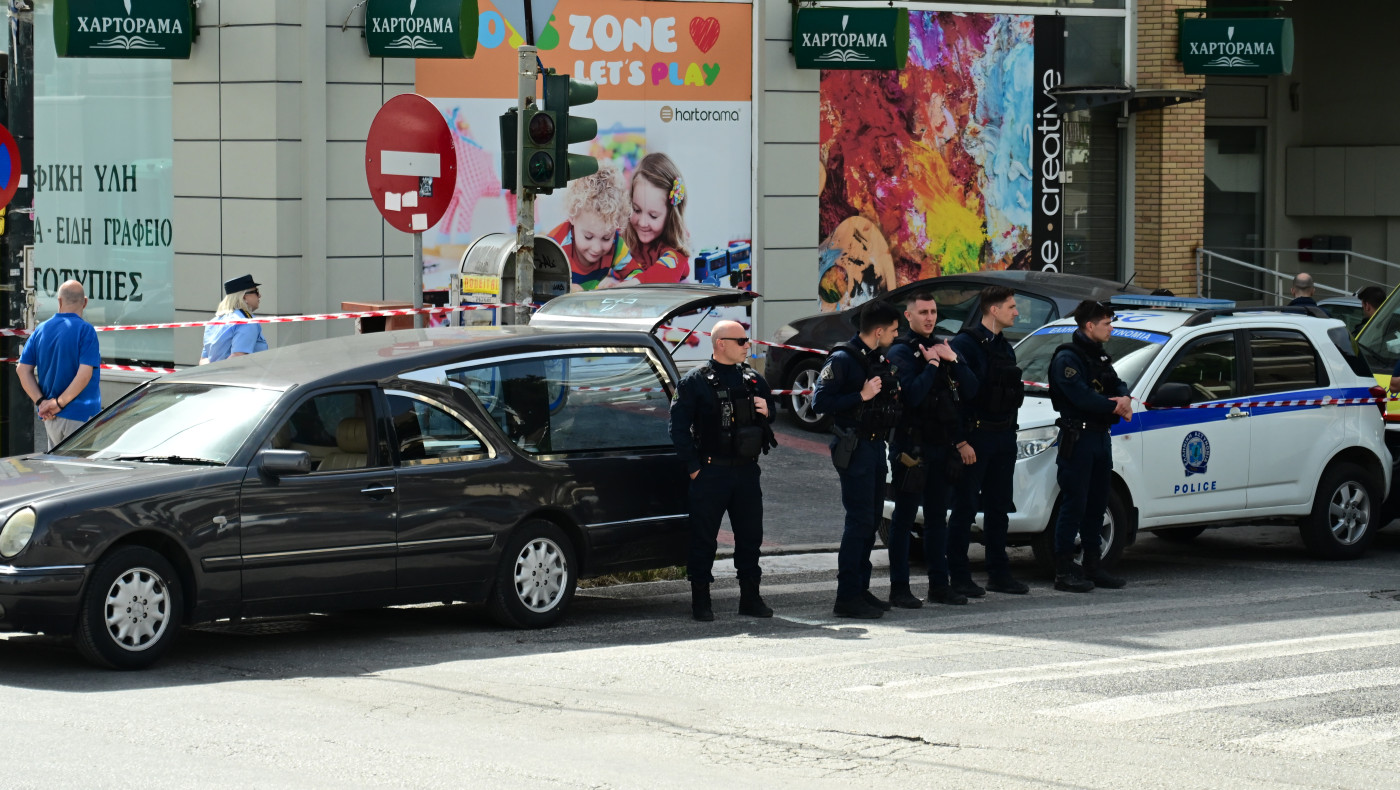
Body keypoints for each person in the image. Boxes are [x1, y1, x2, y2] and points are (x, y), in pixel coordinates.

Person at [669, 320, 778, 621]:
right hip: (710, 472)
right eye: (741, 341)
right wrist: (693, 468)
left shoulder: (753, 379)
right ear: (720, 344)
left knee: (750, 536)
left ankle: (751, 597)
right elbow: (677, 428)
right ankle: (701, 600)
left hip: (746, 472)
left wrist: (768, 411)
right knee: (704, 538)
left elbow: (773, 411)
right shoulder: (694, 382)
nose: (747, 345)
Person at [813, 300, 903, 619]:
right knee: (859, 521)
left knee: (871, 519)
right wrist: (860, 396)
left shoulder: (876, 356)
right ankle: (847, 597)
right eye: (893, 330)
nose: (896, 335)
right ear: (878, 331)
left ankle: (860, 589)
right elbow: (819, 402)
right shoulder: (842, 359)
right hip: (855, 448)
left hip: (876, 446)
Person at [886, 292, 977, 608]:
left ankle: (940, 584)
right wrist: (932, 364)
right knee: (905, 518)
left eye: (933, 311)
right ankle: (899, 589)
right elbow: (911, 395)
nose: (929, 317)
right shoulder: (901, 352)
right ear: (908, 316)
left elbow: (972, 390)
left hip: (941, 446)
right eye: (922, 312)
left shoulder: (943, 346)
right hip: (912, 447)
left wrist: (952, 360)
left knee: (938, 518)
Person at [947, 285, 1029, 597]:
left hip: (1002, 437)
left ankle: (999, 573)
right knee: (965, 508)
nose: (1016, 312)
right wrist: (960, 442)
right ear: (993, 310)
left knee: (998, 509)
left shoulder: (1003, 346)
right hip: (976, 438)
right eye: (1011, 307)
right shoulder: (965, 345)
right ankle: (959, 575)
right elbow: (956, 399)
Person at [1047, 300, 1132, 593]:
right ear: (1089, 326)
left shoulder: (1099, 356)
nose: (1111, 328)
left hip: (1099, 437)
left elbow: (1117, 382)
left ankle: (1093, 565)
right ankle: (1064, 570)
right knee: (1074, 503)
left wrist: (1123, 398)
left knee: (1098, 502)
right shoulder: (1067, 359)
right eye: (1106, 323)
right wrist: (1117, 407)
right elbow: (1082, 398)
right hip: (1078, 438)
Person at [16, 280, 102, 450]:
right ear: (85, 302)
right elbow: (85, 374)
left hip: (51, 418)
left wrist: (42, 403)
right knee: (80, 472)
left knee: (58, 471)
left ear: (59, 301)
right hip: (81, 415)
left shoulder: (41, 330)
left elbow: (22, 370)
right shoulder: (86, 331)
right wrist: (59, 403)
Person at [544, 162, 633, 291]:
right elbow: (537, 284)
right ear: (572, 217)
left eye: (606, 238)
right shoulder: (556, 245)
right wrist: (569, 289)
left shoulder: (616, 244)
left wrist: (617, 287)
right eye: (588, 236)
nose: (596, 248)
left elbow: (637, 276)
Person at [617, 152, 691, 285]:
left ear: (670, 215)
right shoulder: (622, 235)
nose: (642, 222)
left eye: (653, 216)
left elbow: (664, 274)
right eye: (637, 210)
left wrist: (634, 283)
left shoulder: (676, 251)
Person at [201, 274, 268, 364]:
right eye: (256, 291)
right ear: (244, 297)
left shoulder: (214, 321)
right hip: (240, 376)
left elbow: (204, 360)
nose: (259, 295)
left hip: (214, 376)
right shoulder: (246, 321)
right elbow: (238, 356)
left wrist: (212, 375)